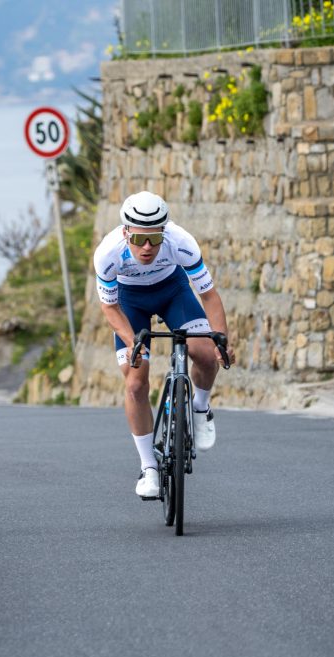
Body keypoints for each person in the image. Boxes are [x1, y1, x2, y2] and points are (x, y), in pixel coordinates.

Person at [92, 191, 236, 499]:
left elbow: (209, 296)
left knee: (205, 355)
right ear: (125, 233)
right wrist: (133, 343)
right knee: (135, 383)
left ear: (164, 233)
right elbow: (109, 307)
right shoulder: (108, 253)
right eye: (140, 240)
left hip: (173, 292)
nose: (147, 248)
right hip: (130, 303)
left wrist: (220, 338)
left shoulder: (181, 242)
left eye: (155, 240)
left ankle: (199, 409)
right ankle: (149, 469)